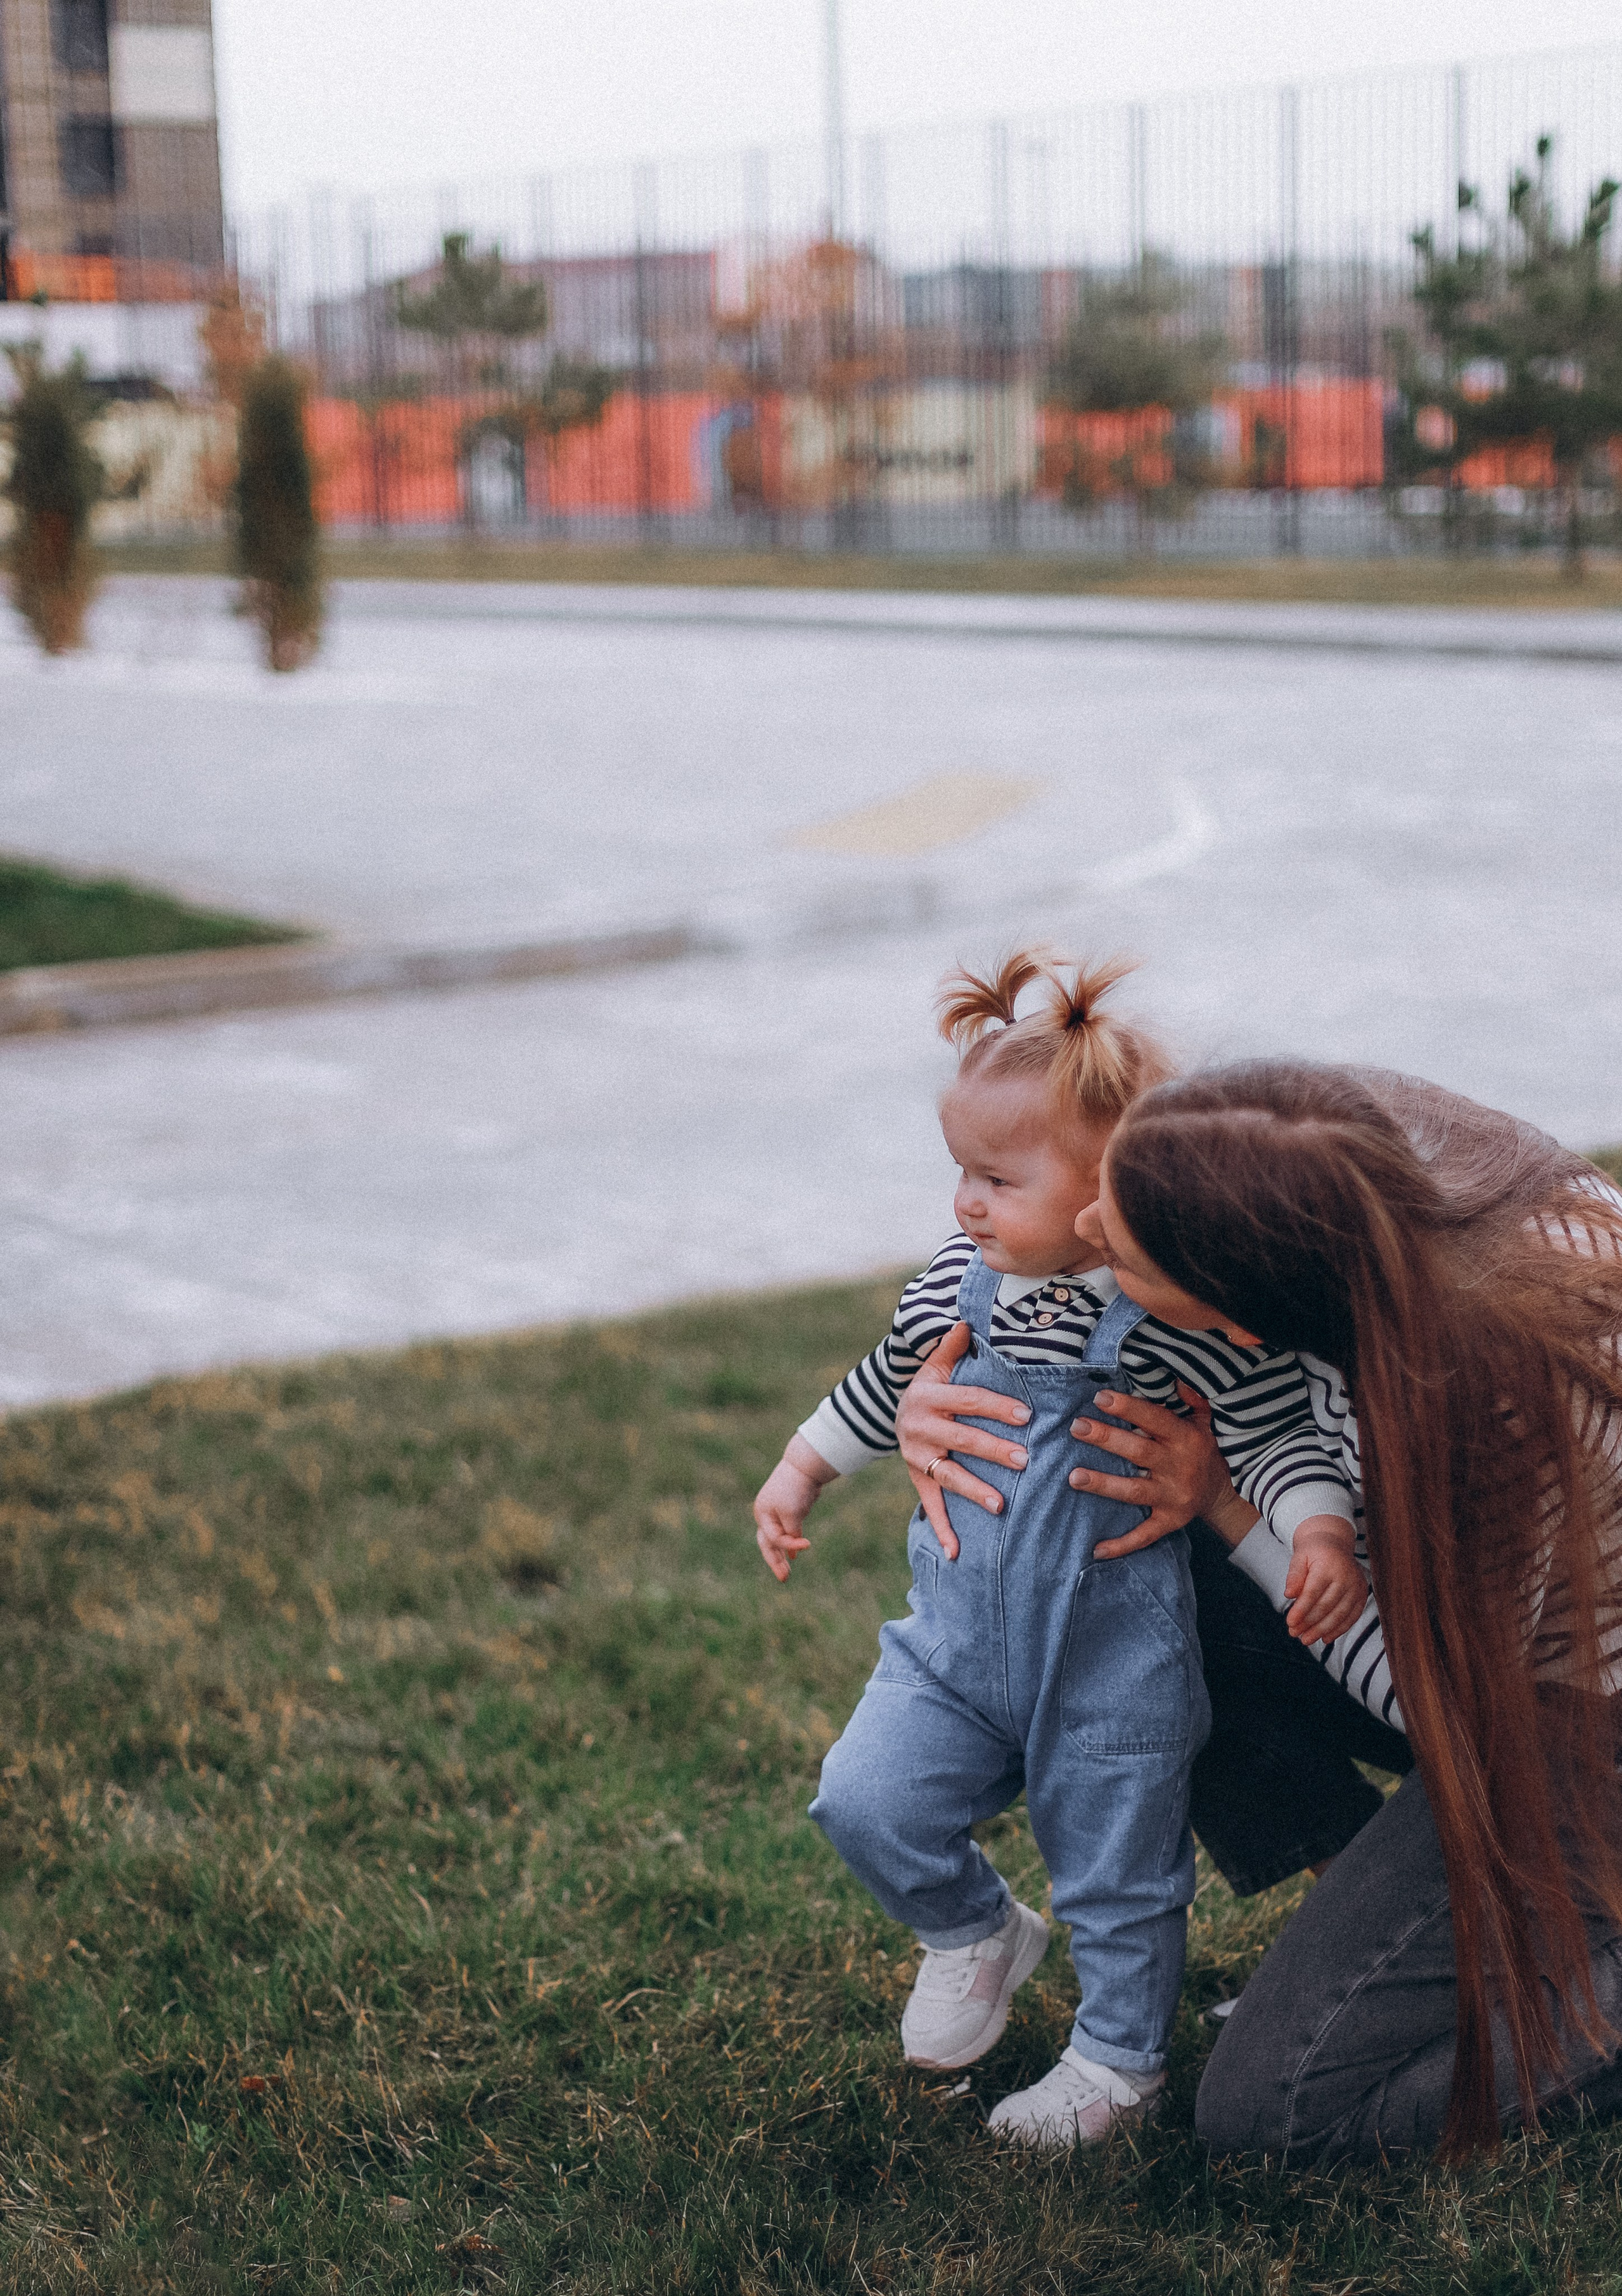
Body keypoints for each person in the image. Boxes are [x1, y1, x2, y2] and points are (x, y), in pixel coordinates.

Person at [897, 1060, 1622, 2164]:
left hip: (1571, 1718)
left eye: (1126, 1254)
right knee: (1126, 1548)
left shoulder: (1474, 1407)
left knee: (1276, 2115)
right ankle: (1402, 1910)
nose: (1090, 1221)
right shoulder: (1303, 1158)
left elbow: (1447, 1712)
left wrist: (1233, 1511)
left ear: (1241, 1319)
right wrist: (924, 1385)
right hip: (1504, 1644)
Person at [753, 956, 1367, 2146]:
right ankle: (975, 1927)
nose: (965, 1205)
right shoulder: (959, 1279)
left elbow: (1274, 1432)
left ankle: (1120, 2060)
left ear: (1110, 1185)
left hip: (1108, 1654)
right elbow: (889, 1382)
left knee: (1119, 1873)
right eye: (960, 1174)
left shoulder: (1176, 1312)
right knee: (864, 1799)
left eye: (996, 1178)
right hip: (953, 1645)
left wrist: (1321, 1528)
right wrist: (800, 1467)